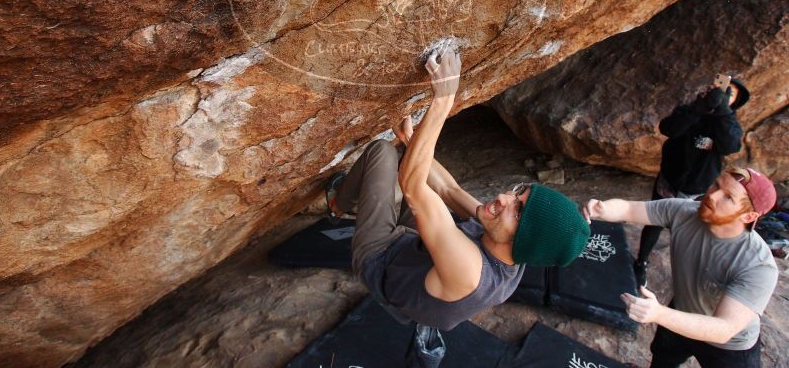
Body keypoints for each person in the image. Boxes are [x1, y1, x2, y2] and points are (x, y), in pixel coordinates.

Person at [326, 47, 590, 364]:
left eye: (517, 210)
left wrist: (443, 101)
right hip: (418, 256)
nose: (504, 198)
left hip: (381, 263)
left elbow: (413, 187)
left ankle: (338, 203)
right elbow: (449, 190)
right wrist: (413, 141)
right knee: (413, 168)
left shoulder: (471, 272)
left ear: (524, 240)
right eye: (519, 193)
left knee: (382, 152)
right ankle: (373, 196)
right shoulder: (508, 243)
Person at [583, 167, 778, 368]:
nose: (712, 195)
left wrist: (658, 314)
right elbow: (629, 209)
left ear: (748, 217)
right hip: (680, 315)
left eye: (728, 197)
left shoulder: (758, 266)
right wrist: (602, 209)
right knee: (662, 360)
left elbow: (724, 328)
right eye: (716, 185)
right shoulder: (684, 211)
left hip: (729, 346)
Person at [634, 76, 750, 286]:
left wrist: (722, 111)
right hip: (670, 180)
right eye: (720, 89)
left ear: (734, 102)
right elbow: (669, 129)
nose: (722, 95)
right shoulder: (691, 110)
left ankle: (692, 274)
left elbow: (731, 145)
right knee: (653, 224)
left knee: (697, 230)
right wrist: (700, 107)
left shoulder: (728, 123)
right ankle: (641, 262)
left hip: (700, 188)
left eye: (729, 94)